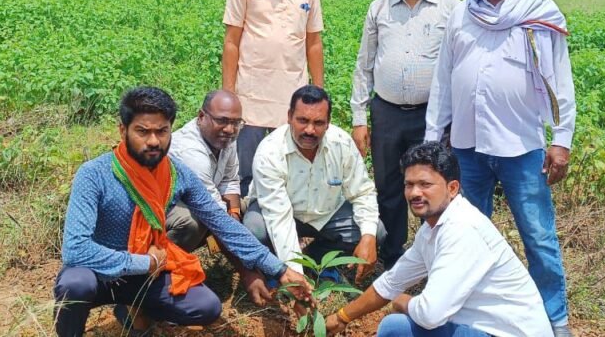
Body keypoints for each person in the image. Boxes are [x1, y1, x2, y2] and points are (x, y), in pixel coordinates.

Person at [53, 87, 311, 337]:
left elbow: (222, 223)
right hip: (101, 272)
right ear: (123, 130)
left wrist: (279, 270)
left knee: (206, 307)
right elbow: (76, 249)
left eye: (162, 131)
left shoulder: (176, 174)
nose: (153, 141)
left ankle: (135, 310)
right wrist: (146, 263)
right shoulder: (94, 175)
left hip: (145, 274)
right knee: (75, 285)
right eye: (142, 131)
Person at [424, 0, 576, 337]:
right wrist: (432, 139)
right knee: (464, 234)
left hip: (520, 146)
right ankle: (469, 310)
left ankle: (554, 320)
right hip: (467, 147)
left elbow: (561, 80)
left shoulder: (539, 11)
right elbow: (443, 81)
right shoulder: (462, 14)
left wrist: (561, 140)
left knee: (538, 236)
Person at [324, 142, 552, 337]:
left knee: (396, 328)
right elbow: (391, 282)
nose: (415, 193)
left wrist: (402, 302)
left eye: (425, 184)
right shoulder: (432, 230)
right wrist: (342, 317)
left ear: (452, 188)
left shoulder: (462, 229)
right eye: (409, 184)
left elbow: (430, 314)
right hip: (483, 329)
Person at [350, 0, 461, 267]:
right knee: (388, 186)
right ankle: (392, 257)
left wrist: (456, 120)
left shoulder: (452, 8)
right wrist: (359, 118)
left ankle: (436, 258)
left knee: (433, 186)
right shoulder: (379, 8)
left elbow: (460, 66)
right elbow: (364, 65)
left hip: (432, 116)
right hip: (386, 113)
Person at [222, 0, 325, 197]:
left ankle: (289, 220)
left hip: (292, 95)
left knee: (289, 168)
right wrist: (229, 93)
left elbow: (313, 43)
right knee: (245, 169)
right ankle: (244, 219)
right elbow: (231, 42)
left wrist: (318, 92)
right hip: (250, 95)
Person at [243, 85, 384, 283]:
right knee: (254, 229)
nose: (310, 130)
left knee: (375, 230)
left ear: (328, 123)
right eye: (302, 120)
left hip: (327, 214)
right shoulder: (270, 152)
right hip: (281, 214)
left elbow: (362, 192)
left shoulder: (341, 144)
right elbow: (278, 218)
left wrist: (368, 237)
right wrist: (294, 275)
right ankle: (275, 268)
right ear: (289, 117)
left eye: (318, 123)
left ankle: (317, 258)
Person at [166, 89, 271, 306]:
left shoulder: (225, 138)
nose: (230, 129)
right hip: (167, 214)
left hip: (209, 204)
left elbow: (230, 180)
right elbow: (214, 217)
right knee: (192, 222)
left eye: (236, 122)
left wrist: (234, 213)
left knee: (250, 205)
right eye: (222, 121)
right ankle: (158, 275)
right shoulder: (190, 152)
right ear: (201, 116)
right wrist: (247, 273)